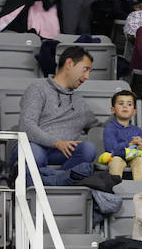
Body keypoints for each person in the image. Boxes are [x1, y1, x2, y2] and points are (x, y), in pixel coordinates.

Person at [16, 46, 99, 184]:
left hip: (63, 154)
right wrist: (57, 143)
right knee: (34, 153)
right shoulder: (38, 88)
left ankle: (52, 179)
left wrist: (121, 109)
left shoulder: (80, 101)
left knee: (88, 149)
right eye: (85, 69)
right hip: (36, 147)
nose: (87, 77)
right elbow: (27, 125)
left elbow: (98, 127)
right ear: (69, 64)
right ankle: (62, 179)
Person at [101, 89, 142, 180]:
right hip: (116, 157)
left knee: (140, 161)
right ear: (113, 110)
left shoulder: (138, 130)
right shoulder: (110, 128)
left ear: (134, 112)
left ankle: (139, 191)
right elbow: (111, 150)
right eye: (121, 103)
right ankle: (114, 190)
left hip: (134, 157)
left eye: (129, 104)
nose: (125, 106)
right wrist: (130, 144)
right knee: (116, 161)